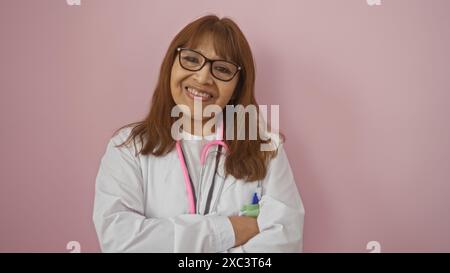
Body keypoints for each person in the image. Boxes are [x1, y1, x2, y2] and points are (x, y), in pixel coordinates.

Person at [93, 15, 305, 252]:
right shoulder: (127, 147)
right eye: (191, 59)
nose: (203, 77)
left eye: (222, 69)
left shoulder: (267, 150)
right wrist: (229, 230)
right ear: (170, 65)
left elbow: (284, 243)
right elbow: (120, 242)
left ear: (237, 87)